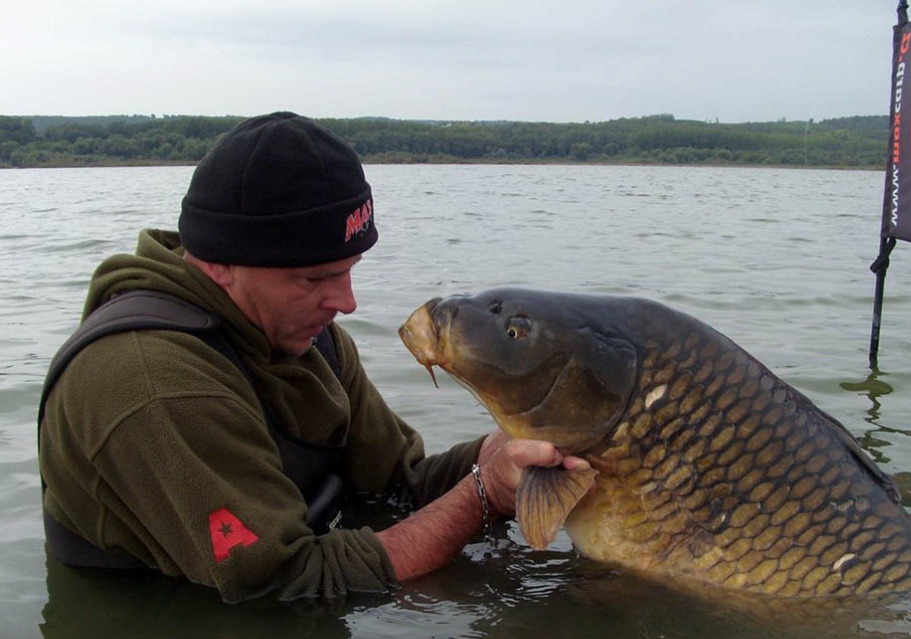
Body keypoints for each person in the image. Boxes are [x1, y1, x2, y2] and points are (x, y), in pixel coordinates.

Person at [38, 111, 583, 603]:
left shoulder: (303, 334)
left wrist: (501, 452)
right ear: (223, 264)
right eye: (315, 278)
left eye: (349, 269)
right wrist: (482, 494)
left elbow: (399, 486)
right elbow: (285, 580)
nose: (345, 302)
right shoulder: (152, 382)